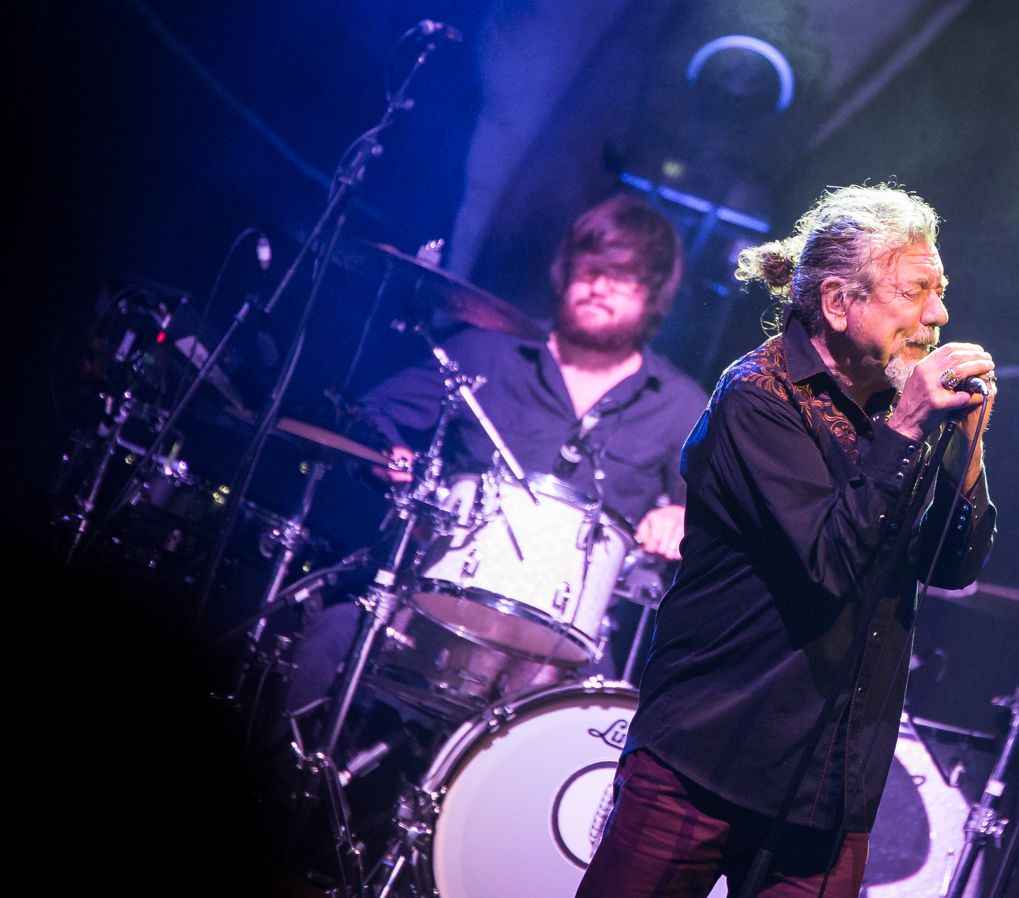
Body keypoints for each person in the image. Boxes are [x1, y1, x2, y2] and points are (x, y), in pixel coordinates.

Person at [570, 183, 998, 898]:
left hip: (828, 791)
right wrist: (907, 426)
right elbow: (831, 562)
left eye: (942, 291)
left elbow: (952, 565)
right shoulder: (757, 400)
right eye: (916, 292)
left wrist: (968, 450)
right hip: (704, 764)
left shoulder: (906, 407)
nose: (939, 315)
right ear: (837, 302)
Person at [284, 195, 707, 719]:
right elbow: (367, 412)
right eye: (590, 269)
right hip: (432, 605)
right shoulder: (485, 352)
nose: (600, 287)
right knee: (332, 636)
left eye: (623, 278)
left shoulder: (682, 405)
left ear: (655, 296)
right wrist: (386, 449)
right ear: (564, 272)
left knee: (601, 738)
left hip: (570, 646)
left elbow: (724, 515)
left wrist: (683, 514)